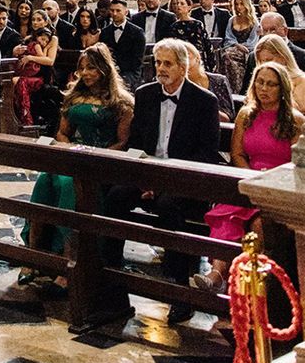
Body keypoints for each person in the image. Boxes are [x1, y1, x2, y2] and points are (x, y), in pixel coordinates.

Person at [104, 39, 221, 326]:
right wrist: (145, 179)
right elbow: (137, 143)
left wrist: (165, 181)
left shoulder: (204, 101)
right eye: (157, 62)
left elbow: (206, 155)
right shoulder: (145, 95)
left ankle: (180, 291)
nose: (161, 69)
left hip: (186, 180)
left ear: (183, 67)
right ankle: (111, 280)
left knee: (170, 206)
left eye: (167, 63)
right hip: (148, 175)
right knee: (115, 197)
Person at [19, 45, 133, 289]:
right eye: (82, 68)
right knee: (45, 181)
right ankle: (33, 254)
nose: (85, 73)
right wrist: (71, 150)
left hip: (101, 163)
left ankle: (69, 259)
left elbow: (122, 142)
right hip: (73, 157)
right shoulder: (74, 95)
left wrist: (94, 155)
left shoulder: (120, 101)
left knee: (69, 185)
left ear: (104, 69)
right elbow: (62, 132)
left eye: (91, 68)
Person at [193, 62, 304, 293]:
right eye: (260, 82)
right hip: (247, 179)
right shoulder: (247, 114)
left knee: (258, 226)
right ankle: (216, 275)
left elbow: (297, 161)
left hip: (278, 187)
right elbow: (237, 153)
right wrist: (252, 176)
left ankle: (245, 287)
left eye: (271, 84)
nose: (264, 88)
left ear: (282, 88)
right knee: (228, 217)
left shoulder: (295, 120)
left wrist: (270, 180)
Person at [12, 22, 57, 126]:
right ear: (37, 37)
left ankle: (25, 117)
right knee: (19, 82)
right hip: (30, 73)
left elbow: (49, 60)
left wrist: (32, 57)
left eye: (46, 41)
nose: (44, 42)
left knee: (20, 82)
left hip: (39, 76)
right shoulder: (35, 45)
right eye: (42, 39)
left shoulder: (51, 40)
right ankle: (25, 117)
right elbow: (42, 56)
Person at [98, 0, 147, 90]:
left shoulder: (137, 32)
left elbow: (137, 61)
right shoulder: (105, 32)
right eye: (112, 10)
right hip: (110, 72)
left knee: (120, 85)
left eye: (118, 10)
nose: (115, 13)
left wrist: (119, 75)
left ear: (126, 12)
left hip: (131, 73)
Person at [220, 0, 260, 94]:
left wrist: (243, 47)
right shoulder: (232, 20)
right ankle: (230, 90)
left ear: (246, 5)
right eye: (236, 4)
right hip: (233, 48)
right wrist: (237, 45)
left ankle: (240, 90)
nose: (239, 7)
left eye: (241, 4)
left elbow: (254, 40)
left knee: (228, 56)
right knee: (226, 56)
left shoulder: (253, 22)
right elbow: (228, 38)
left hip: (248, 50)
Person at [253, 33, 305, 111]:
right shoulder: (260, 81)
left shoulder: (301, 81)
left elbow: (299, 109)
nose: (266, 65)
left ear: (283, 56)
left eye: (269, 60)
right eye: (262, 61)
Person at [183, 43, 234, 123]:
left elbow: (227, 118)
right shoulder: (175, 84)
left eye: (185, 55)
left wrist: (204, 103)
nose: (182, 60)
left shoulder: (219, 80)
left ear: (197, 58)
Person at [167, 0, 210, 66]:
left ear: (189, 7)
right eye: (177, 3)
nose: (178, 6)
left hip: (196, 57)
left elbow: (206, 44)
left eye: (182, 4)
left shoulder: (197, 24)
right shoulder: (173, 26)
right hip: (180, 58)